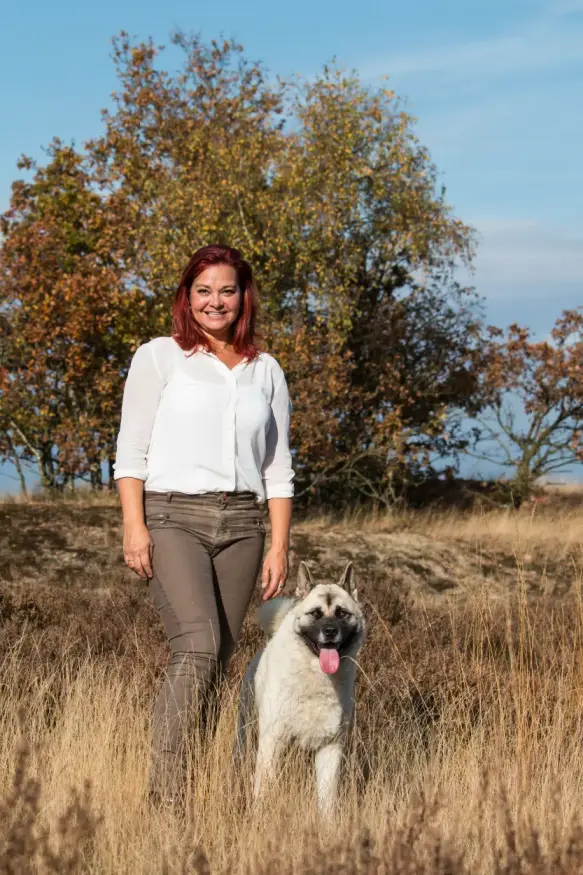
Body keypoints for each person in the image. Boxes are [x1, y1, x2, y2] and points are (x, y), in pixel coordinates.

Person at [113, 244, 294, 803]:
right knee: (197, 644)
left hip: (243, 523)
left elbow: (278, 466)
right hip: (172, 516)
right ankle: (167, 798)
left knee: (218, 660)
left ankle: (198, 782)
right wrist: (134, 527)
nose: (216, 302)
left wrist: (279, 546)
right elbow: (131, 451)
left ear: (244, 297)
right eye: (204, 291)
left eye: (227, 290)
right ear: (187, 298)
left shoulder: (266, 370)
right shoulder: (160, 357)